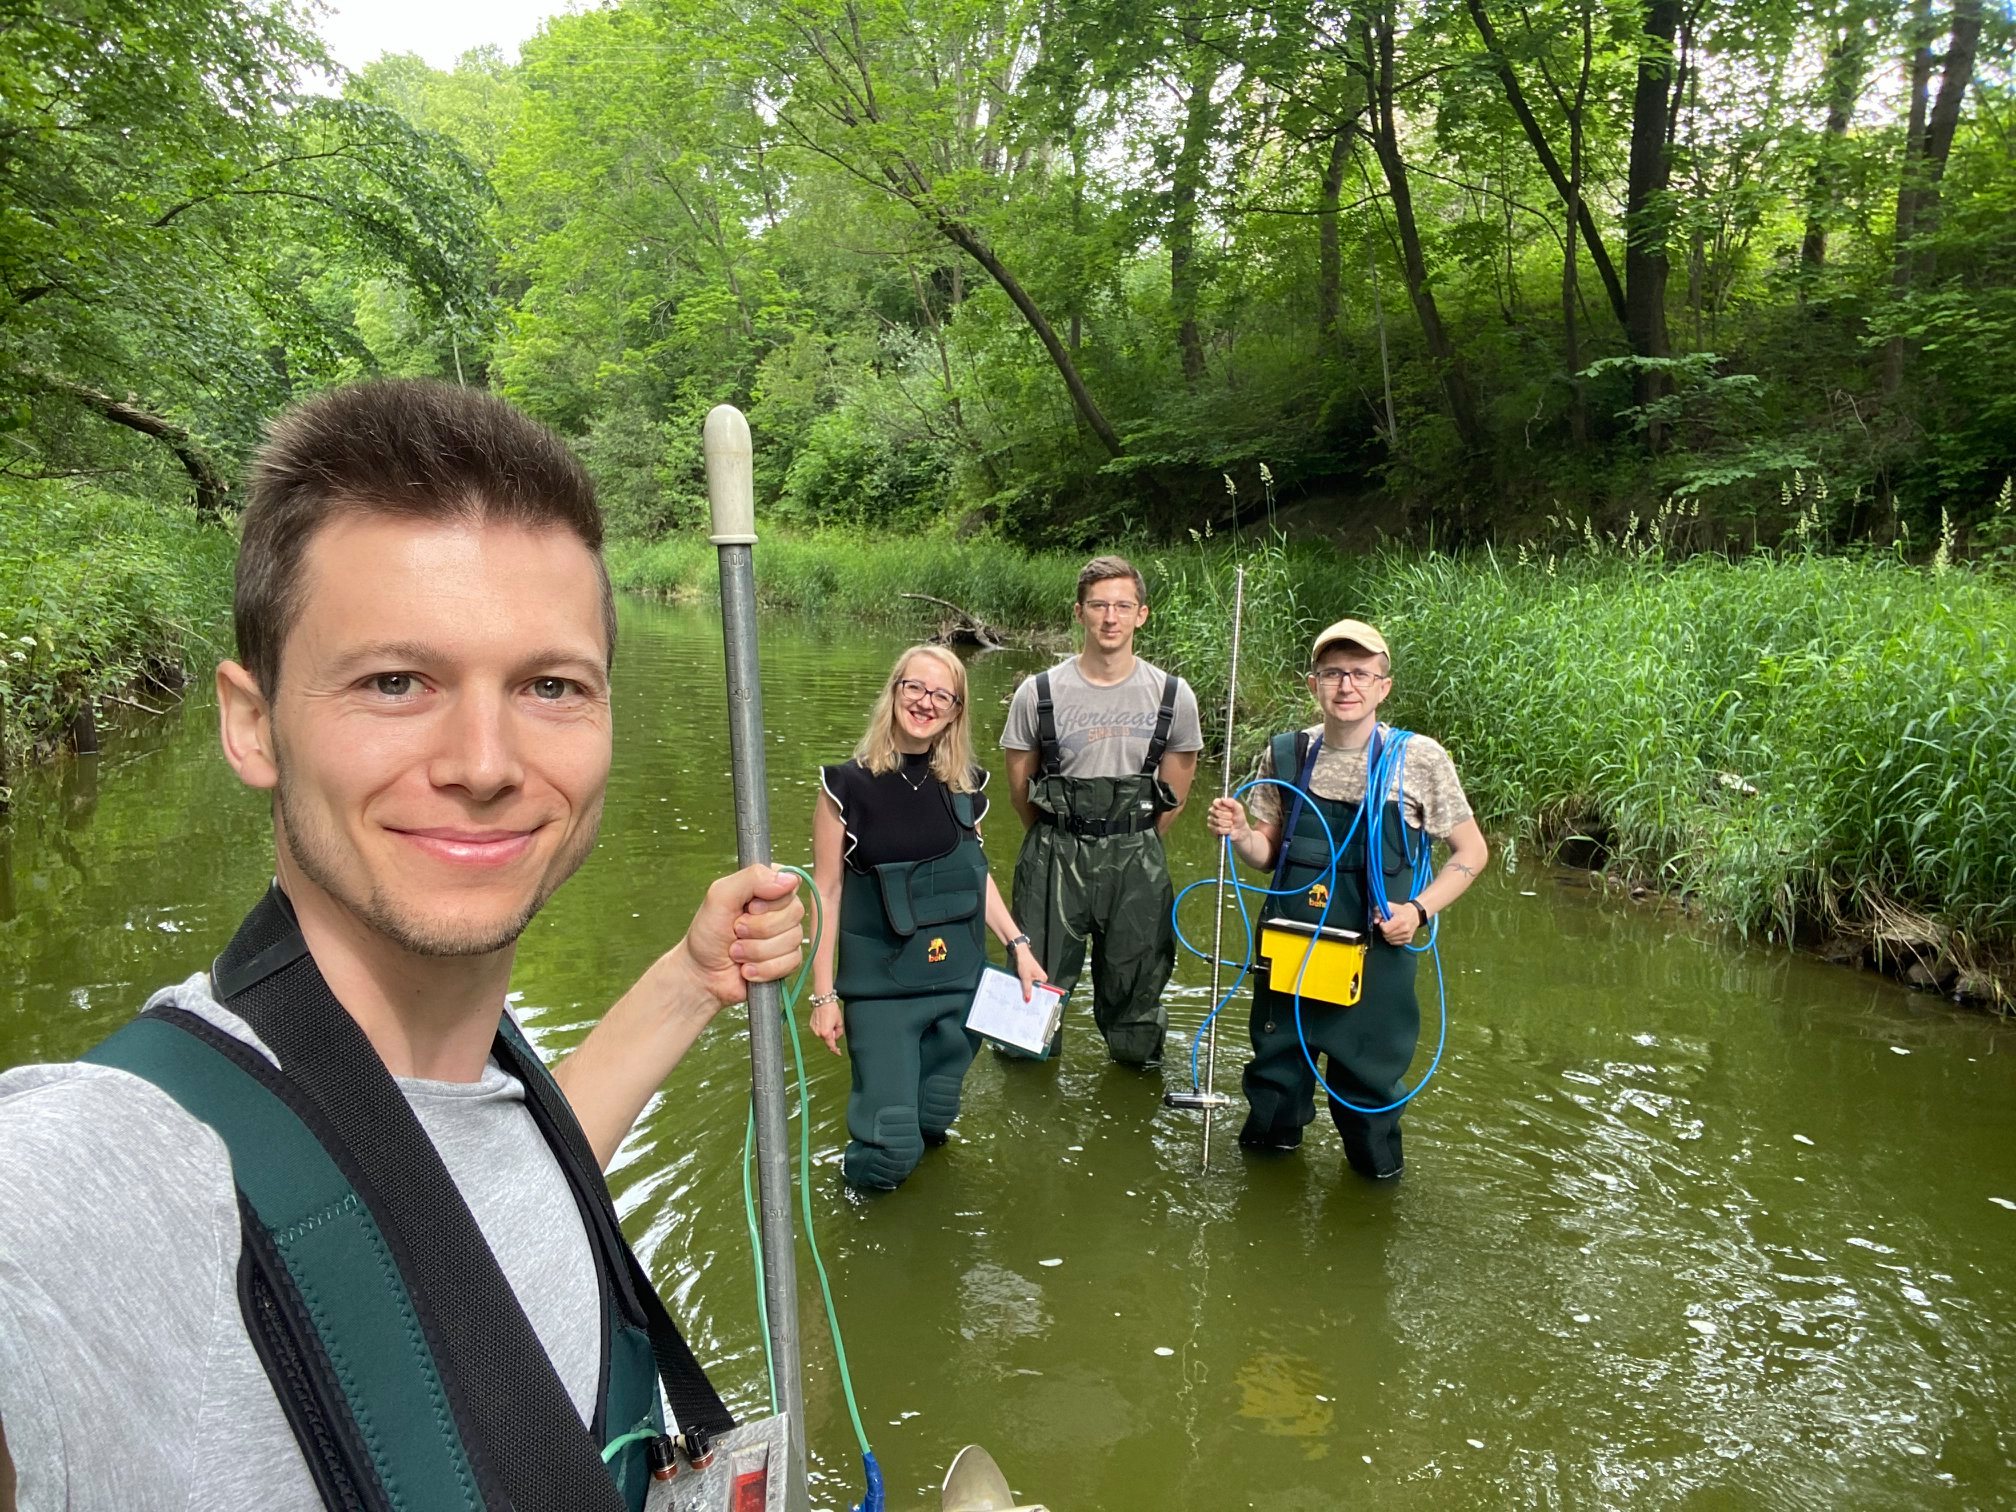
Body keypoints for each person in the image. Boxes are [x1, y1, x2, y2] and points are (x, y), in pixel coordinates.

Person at [0, 379, 804, 1511]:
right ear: (251, 722)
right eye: (395, 681)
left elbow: (474, 1185)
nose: (485, 760)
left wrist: (687, 981)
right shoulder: (107, 1184)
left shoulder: (479, 1065)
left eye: (549, 685)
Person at [1206, 618, 1488, 1179]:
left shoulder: (1420, 760)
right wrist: (1241, 833)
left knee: (1370, 1103)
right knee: (1274, 1091)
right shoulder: (1284, 755)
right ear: (1313, 684)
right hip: (1289, 957)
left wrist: (1418, 910)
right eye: (1333, 673)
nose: (1346, 686)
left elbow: (1471, 853)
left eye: (1361, 673)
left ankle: (1375, 1203)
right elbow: (1269, 854)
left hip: (1376, 962)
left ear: (1384, 686)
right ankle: (1262, 1212)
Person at [807, 645, 1047, 1189]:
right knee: (891, 1144)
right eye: (914, 687)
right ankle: (857, 1227)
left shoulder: (966, 787)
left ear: (957, 710)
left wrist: (1019, 946)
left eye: (942, 694)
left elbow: (973, 874)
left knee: (935, 1120)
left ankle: (927, 1240)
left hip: (960, 985)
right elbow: (826, 892)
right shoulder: (844, 788)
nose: (925, 702)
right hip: (882, 994)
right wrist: (823, 997)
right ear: (894, 692)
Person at [1001, 555, 1202, 1067]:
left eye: (1122, 605)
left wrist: (1126, 836)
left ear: (1142, 615)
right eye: (1098, 606)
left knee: (1137, 997)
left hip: (1137, 859)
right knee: (1030, 996)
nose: (1110, 617)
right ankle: (1025, 1115)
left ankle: (1135, 1085)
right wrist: (1063, 832)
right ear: (1079, 613)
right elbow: (1020, 793)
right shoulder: (1036, 693)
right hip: (1052, 855)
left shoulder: (1175, 696)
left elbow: (1174, 797)